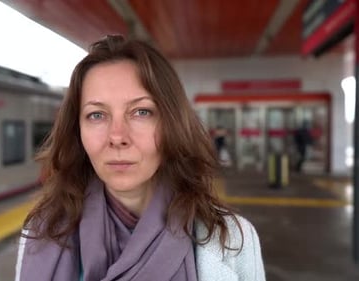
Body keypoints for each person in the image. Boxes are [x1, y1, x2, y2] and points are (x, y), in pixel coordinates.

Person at [15, 35, 265, 281]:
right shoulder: (40, 234)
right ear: (77, 130)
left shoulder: (232, 239)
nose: (117, 137)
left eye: (141, 112)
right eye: (97, 115)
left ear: (171, 124)